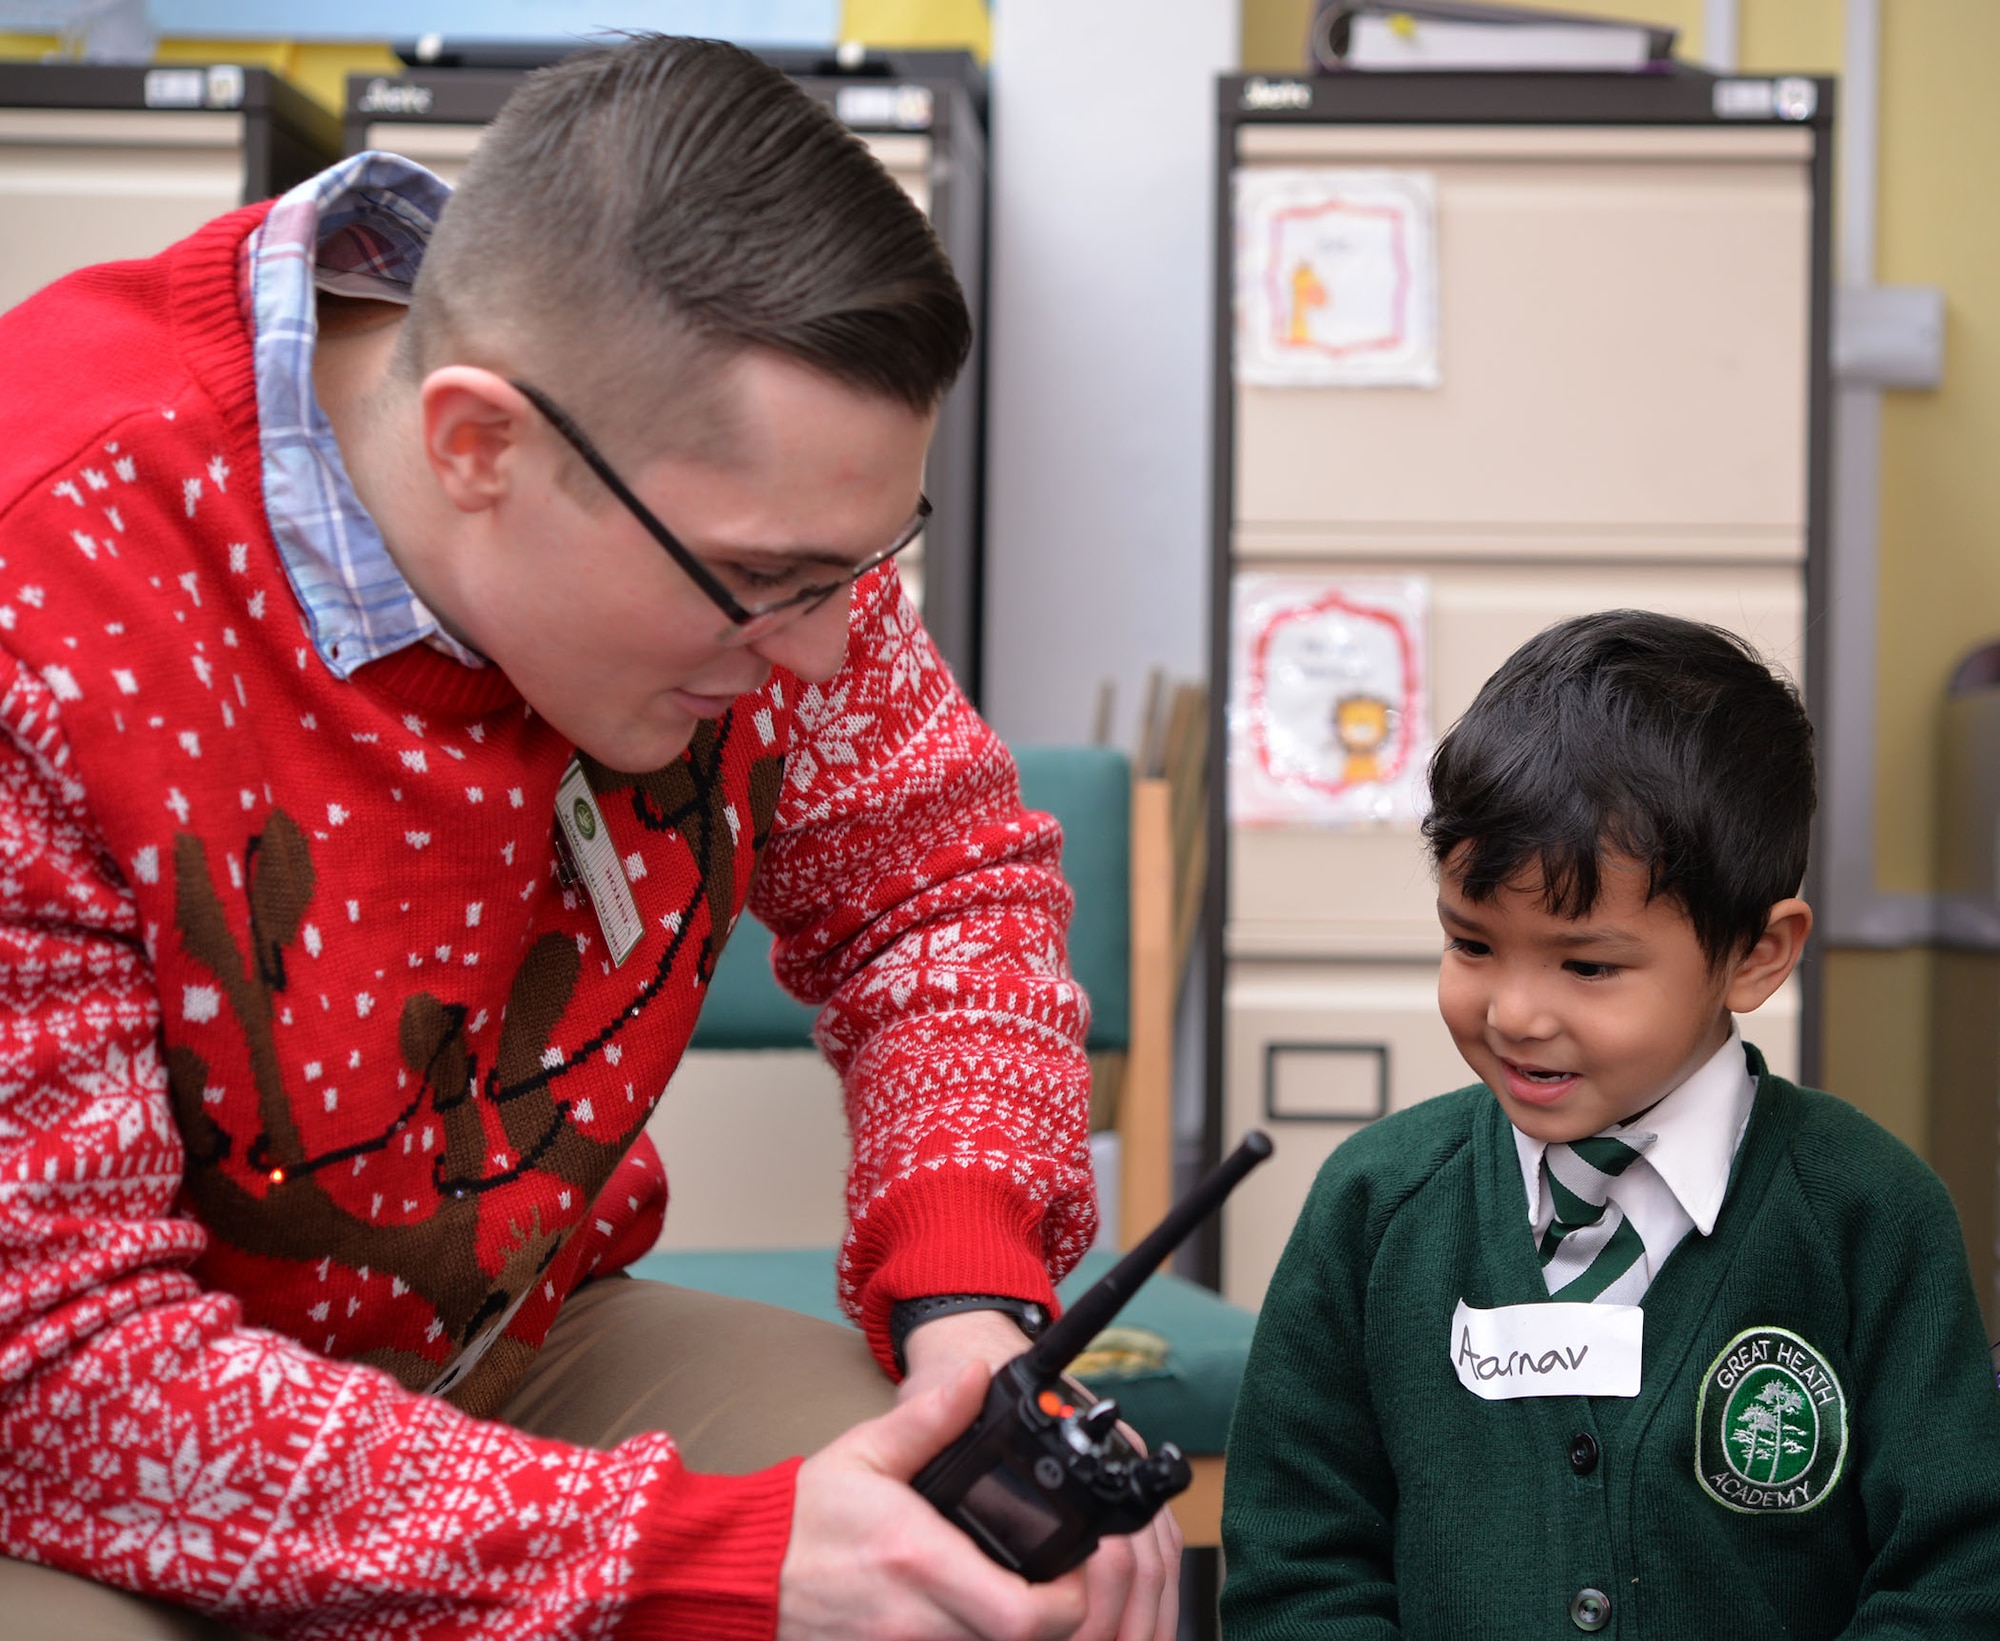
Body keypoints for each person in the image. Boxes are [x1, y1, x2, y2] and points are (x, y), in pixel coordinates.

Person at [0, 36, 1179, 1641]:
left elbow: (938, 886)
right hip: (82, 1454)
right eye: (770, 584)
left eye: (860, 567)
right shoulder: (43, 596)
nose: (830, 658)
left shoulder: (722, 516)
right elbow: (60, 1373)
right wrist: (693, 1554)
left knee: (965, 1568)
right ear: (479, 445)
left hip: (511, 1352)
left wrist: (971, 1284)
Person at [1221, 611, 2000, 1638]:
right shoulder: (1374, 1205)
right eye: (1471, 944)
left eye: (1586, 965)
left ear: (1757, 955)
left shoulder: (1868, 1213)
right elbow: (1295, 1559)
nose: (1513, 1013)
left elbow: (1953, 1576)